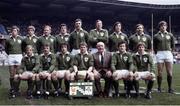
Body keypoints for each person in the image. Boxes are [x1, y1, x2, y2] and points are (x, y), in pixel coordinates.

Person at [153, 21, 175, 93]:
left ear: (166, 27)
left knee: (169, 72)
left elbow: (173, 45)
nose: (163, 27)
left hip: (168, 53)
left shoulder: (170, 35)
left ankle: (170, 88)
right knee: (160, 72)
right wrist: (157, 53)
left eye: (165, 25)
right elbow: (154, 47)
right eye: (162, 26)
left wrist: (170, 52)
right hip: (160, 53)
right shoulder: (156, 36)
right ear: (159, 27)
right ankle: (159, 88)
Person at [5, 26, 23, 98]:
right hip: (11, 56)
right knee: (12, 74)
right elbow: (6, 49)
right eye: (12, 31)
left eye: (15, 31)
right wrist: (10, 54)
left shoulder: (21, 39)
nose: (13, 32)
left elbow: (24, 47)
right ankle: (12, 88)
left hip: (19, 56)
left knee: (18, 74)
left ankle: (17, 88)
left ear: (17, 32)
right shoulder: (8, 40)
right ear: (11, 32)